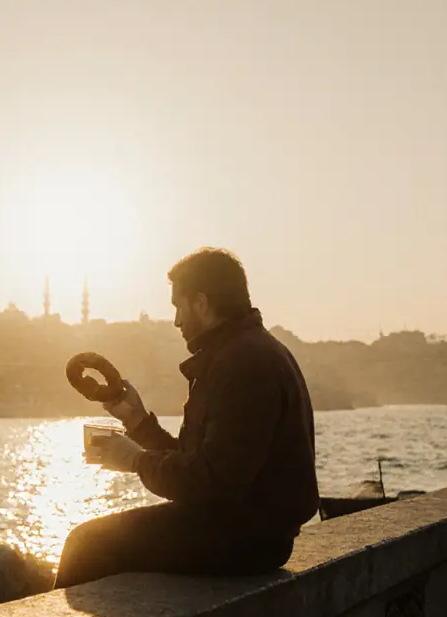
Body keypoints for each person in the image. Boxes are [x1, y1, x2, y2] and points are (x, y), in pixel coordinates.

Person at [55, 248, 319, 589]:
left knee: (87, 544)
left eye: (178, 307)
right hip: (252, 532)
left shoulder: (242, 364)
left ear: (201, 303)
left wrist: (136, 461)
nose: (177, 320)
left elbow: (212, 482)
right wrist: (137, 423)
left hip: (244, 539)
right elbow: (201, 463)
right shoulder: (247, 351)